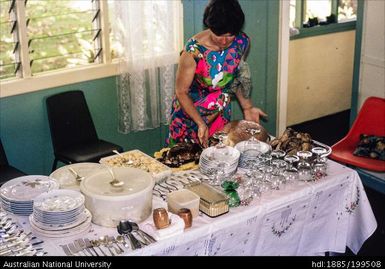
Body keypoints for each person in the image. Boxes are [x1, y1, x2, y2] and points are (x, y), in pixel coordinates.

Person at [167, 0, 267, 148]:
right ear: (210, 27)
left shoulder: (241, 42)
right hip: (190, 116)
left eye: (230, 35)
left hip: (218, 114)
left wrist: (247, 107)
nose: (225, 41)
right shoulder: (193, 51)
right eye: (219, 35)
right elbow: (181, 92)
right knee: (184, 161)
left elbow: (236, 76)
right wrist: (200, 123)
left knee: (219, 159)